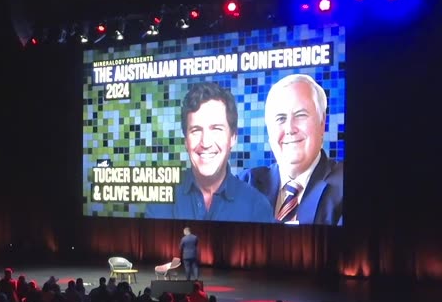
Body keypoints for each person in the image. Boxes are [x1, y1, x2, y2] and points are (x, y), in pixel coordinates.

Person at [146, 82, 274, 223]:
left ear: (233, 138)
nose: (205, 142)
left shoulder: (257, 207)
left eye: (216, 129)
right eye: (196, 130)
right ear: (186, 141)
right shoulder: (160, 201)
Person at [241, 73, 344, 225]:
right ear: (269, 131)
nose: (289, 128)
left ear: (323, 123)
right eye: (280, 118)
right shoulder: (246, 185)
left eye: (301, 115)